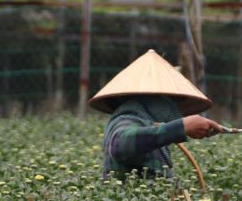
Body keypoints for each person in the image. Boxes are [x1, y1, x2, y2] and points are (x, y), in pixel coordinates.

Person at [89, 49, 223, 180]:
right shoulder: (127, 119)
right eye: (169, 100)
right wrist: (181, 126)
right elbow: (120, 144)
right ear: (152, 98)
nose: (173, 108)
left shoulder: (146, 122)